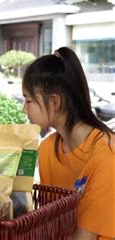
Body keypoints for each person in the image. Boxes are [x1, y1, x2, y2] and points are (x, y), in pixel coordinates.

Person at [22, 47, 114, 240]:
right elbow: (52, 221)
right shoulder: (47, 149)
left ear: (54, 102)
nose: (24, 109)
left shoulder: (107, 153)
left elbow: (85, 236)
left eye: (28, 100)